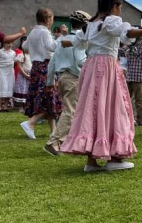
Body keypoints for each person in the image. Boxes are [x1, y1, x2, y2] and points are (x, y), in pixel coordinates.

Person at [60, 0, 142, 172]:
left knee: (93, 109)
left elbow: (76, 42)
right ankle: (115, 158)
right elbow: (128, 32)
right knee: (113, 108)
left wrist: (63, 40)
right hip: (106, 67)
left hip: (91, 67)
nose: (120, 11)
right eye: (120, 7)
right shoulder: (110, 21)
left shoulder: (90, 25)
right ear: (115, 7)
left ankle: (91, 161)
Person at [43, 10, 90, 156]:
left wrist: (49, 81)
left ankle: (68, 142)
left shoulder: (63, 40)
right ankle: (54, 142)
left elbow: (52, 62)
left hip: (62, 77)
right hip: (74, 77)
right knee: (71, 111)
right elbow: (80, 61)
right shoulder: (78, 41)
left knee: (70, 110)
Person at [21, 8, 61, 141]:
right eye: (52, 18)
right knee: (48, 96)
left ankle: (54, 130)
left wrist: (35, 48)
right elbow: (52, 47)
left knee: (47, 97)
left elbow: (25, 46)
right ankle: (31, 123)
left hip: (36, 66)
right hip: (45, 66)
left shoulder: (34, 31)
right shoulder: (44, 32)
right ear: (47, 19)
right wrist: (61, 37)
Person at [0, 41, 16, 111]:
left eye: (11, 43)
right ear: (4, 43)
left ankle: (5, 106)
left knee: (8, 87)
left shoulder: (13, 53)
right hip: (1, 70)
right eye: (8, 43)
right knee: (1, 86)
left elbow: (13, 61)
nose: (9, 45)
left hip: (10, 71)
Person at [13, 37, 31, 111]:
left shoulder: (31, 55)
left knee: (28, 90)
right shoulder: (21, 55)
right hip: (23, 75)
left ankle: (27, 106)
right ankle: (21, 106)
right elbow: (19, 66)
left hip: (30, 74)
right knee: (22, 89)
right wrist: (25, 75)